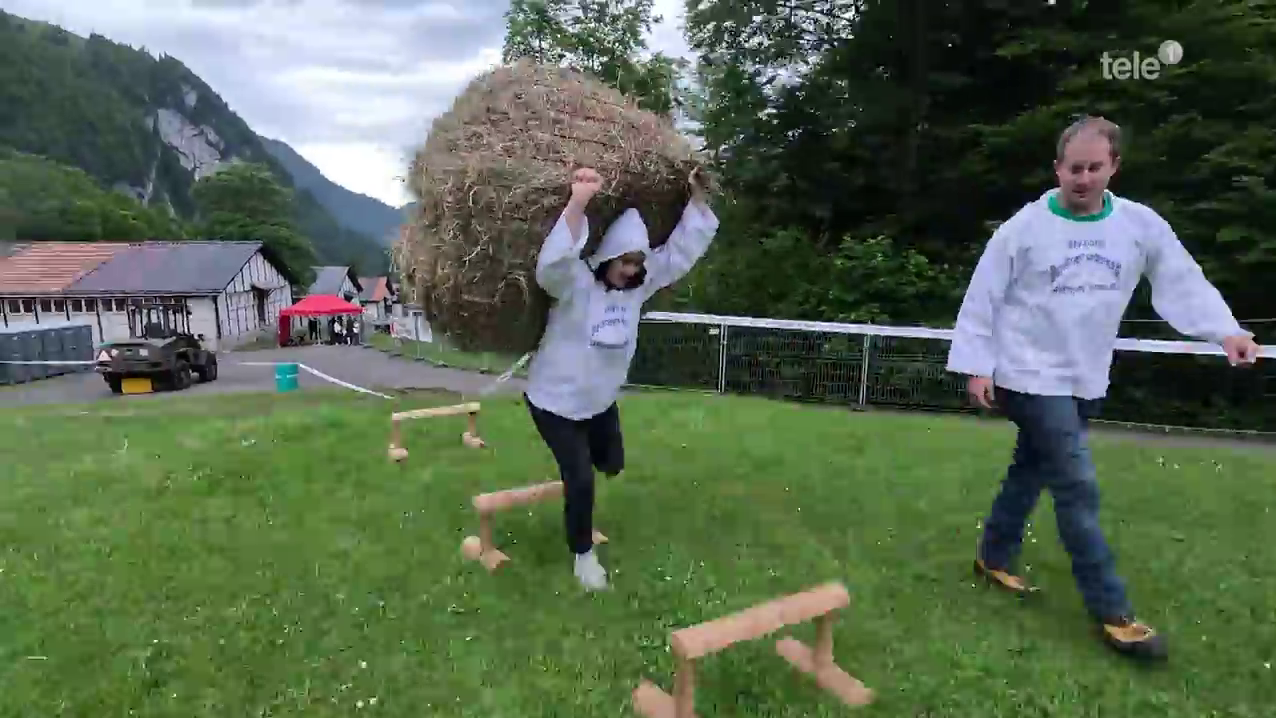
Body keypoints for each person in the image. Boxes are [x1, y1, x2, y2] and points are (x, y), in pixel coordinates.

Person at [946, 116, 1260, 661]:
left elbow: (1182, 280)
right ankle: (1114, 614)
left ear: (1113, 166)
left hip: (1085, 375)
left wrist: (1225, 330)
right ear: (1057, 169)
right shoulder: (1025, 227)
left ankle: (993, 557)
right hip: (1027, 373)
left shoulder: (1139, 225)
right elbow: (982, 297)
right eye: (1074, 168)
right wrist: (977, 365)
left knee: (1032, 468)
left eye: (1094, 167)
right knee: (1077, 486)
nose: (1083, 177)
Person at [524, 166, 718, 591]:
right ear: (609, 256)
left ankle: (596, 467)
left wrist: (698, 201)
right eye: (625, 261)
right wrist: (578, 201)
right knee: (580, 479)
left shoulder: (639, 288)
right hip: (553, 402)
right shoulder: (575, 283)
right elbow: (551, 263)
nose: (632, 270)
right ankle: (583, 558)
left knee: (612, 464)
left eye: (637, 262)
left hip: (599, 403)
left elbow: (679, 254)